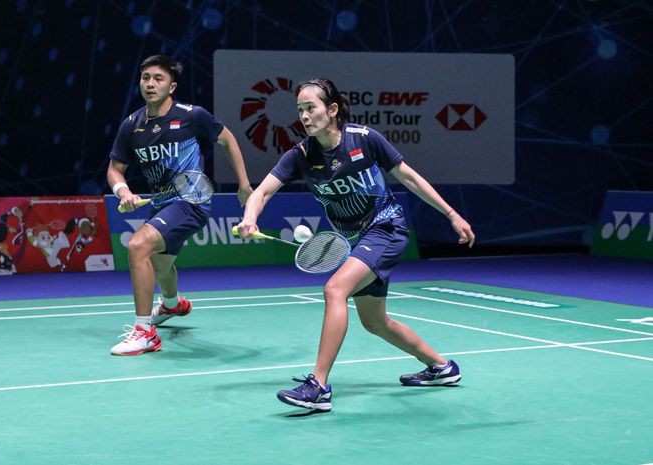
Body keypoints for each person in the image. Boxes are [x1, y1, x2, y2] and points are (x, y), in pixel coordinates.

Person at [236, 78, 475, 411]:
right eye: (300, 110)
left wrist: (451, 213)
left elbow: (409, 177)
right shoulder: (302, 155)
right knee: (374, 321)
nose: (304, 116)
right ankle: (441, 367)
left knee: (334, 290)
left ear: (332, 110)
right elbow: (262, 192)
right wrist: (250, 218)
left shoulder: (363, 139)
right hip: (358, 240)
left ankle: (318, 386)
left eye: (311, 108)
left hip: (386, 228)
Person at [107, 55, 252, 356]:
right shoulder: (131, 125)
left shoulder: (191, 115)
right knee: (160, 264)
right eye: (145, 77)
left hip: (192, 199)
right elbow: (115, 168)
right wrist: (123, 191)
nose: (150, 83)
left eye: (158, 78)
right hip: (161, 203)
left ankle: (145, 332)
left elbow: (227, 140)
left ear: (171, 86)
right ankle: (173, 305)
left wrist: (244, 184)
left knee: (137, 246)